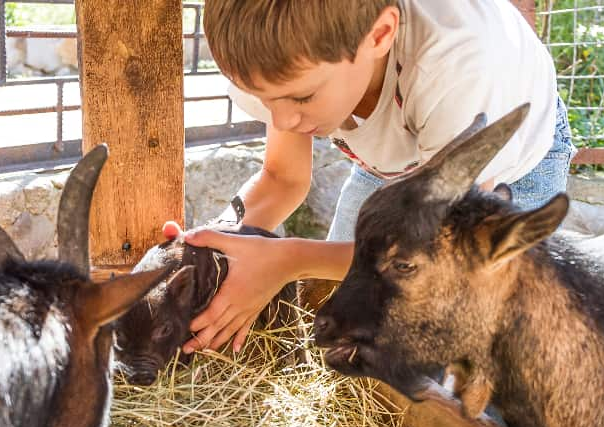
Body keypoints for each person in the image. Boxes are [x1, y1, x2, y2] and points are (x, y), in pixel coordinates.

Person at [171, 0, 576, 354]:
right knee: (346, 325)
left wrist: (287, 260)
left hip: (512, 165)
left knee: (486, 342)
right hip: (391, 160)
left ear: (380, 34)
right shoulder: (285, 56)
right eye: (264, 99)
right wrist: (214, 245)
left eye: (301, 97)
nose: (282, 120)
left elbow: (444, 254)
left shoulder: (460, 66)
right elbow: (282, 178)